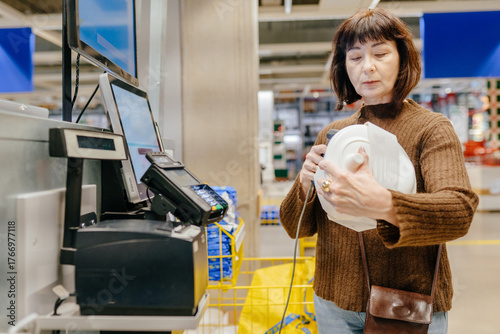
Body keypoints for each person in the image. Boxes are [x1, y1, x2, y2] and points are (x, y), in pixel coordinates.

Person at [279, 8, 478, 334]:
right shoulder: (334, 134)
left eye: (381, 53)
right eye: (354, 57)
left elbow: (459, 210)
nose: (367, 67)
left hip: (405, 305)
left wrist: (383, 203)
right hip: (332, 305)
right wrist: (304, 183)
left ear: (402, 59)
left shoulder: (431, 129)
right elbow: (295, 227)